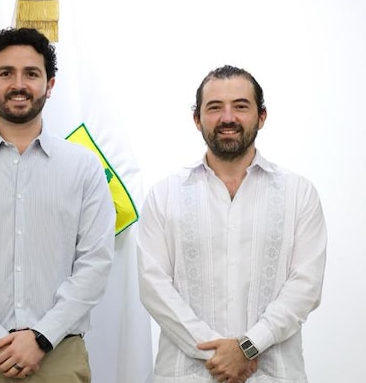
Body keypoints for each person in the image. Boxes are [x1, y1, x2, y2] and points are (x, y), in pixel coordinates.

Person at [0, 27, 115, 382]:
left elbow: (95, 263)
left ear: (50, 85)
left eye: (31, 73)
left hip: (58, 355)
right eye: (5, 73)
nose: (19, 84)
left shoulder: (84, 167)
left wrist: (41, 337)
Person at [137, 65, 327, 383]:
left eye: (240, 106)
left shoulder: (299, 194)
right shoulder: (164, 195)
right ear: (197, 119)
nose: (228, 118)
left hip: (274, 375)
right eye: (215, 108)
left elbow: (305, 287)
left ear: (261, 116)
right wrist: (222, 355)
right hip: (185, 376)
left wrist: (248, 347)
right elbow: (154, 287)